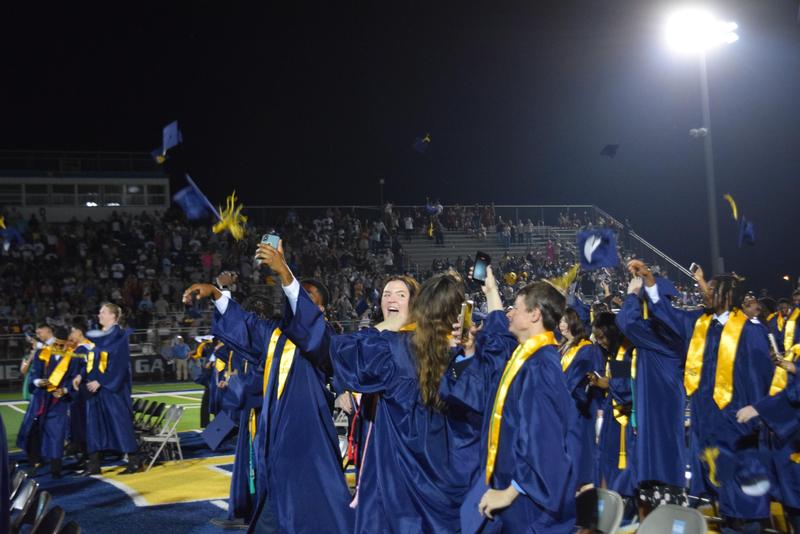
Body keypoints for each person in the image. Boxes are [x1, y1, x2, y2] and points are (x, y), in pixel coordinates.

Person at [184, 242, 354, 534]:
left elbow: (313, 335)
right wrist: (215, 293)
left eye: (306, 297)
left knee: (317, 503)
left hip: (307, 435)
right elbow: (246, 325)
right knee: (274, 498)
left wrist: (286, 275)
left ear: (321, 310)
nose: (296, 300)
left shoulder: (326, 336)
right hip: (274, 435)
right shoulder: (275, 336)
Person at [630, 260, 773, 530]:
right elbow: (665, 312)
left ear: (728, 296)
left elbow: (760, 382)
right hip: (708, 426)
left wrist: (753, 422)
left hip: (739, 429)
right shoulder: (699, 324)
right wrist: (649, 280)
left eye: (712, 289)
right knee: (723, 501)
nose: (705, 293)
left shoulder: (751, 332)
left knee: (747, 505)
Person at [330, 271, 478, 532]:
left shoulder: (395, 348)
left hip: (402, 470)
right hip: (433, 469)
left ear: (417, 305)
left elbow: (340, 349)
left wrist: (387, 326)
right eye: (386, 294)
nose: (391, 299)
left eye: (400, 294)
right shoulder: (448, 345)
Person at [459, 267, 577, 532]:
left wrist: (512, 490)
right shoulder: (523, 356)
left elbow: (544, 439)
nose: (510, 313)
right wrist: (490, 292)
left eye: (516, 308)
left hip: (525, 502)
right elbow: (498, 331)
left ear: (535, 314)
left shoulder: (538, 365)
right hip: (506, 490)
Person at [616, 275, 689, 518]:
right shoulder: (633, 345)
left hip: (649, 419)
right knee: (646, 485)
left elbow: (626, 321)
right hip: (639, 420)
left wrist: (633, 295)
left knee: (659, 483)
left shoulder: (660, 338)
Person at [75, 303, 141, 475]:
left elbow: (120, 366)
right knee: (94, 425)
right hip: (95, 389)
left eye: (103, 312)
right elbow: (92, 361)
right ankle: (94, 464)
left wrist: (102, 382)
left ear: (113, 316)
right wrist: (81, 375)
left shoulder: (119, 335)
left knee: (120, 423)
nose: (99, 315)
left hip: (113, 389)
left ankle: (135, 460)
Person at [17, 325, 78, 478]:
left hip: (59, 400)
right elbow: (34, 374)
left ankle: (56, 468)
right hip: (41, 399)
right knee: (34, 429)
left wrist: (65, 390)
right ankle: (35, 461)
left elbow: (73, 377)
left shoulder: (71, 355)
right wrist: (38, 382)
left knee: (56, 433)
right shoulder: (41, 353)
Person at [588, 313, 637, 502]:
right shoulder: (614, 353)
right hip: (611, 414)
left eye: (602, 337)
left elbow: (624, 388)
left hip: (622, 420)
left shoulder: (624, 352)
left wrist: (604, 383)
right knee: (604, 460)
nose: (599, 342)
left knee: (613, 462)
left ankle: (616, 506)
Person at [558, 307, 605, 491]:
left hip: (577, 410)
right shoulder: (562, 346)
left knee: (577, 452)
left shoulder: (586, 349)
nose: (561, 325)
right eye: (560, 321)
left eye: (564, 321)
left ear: (574, 322)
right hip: (563, 409)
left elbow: (578, 380)